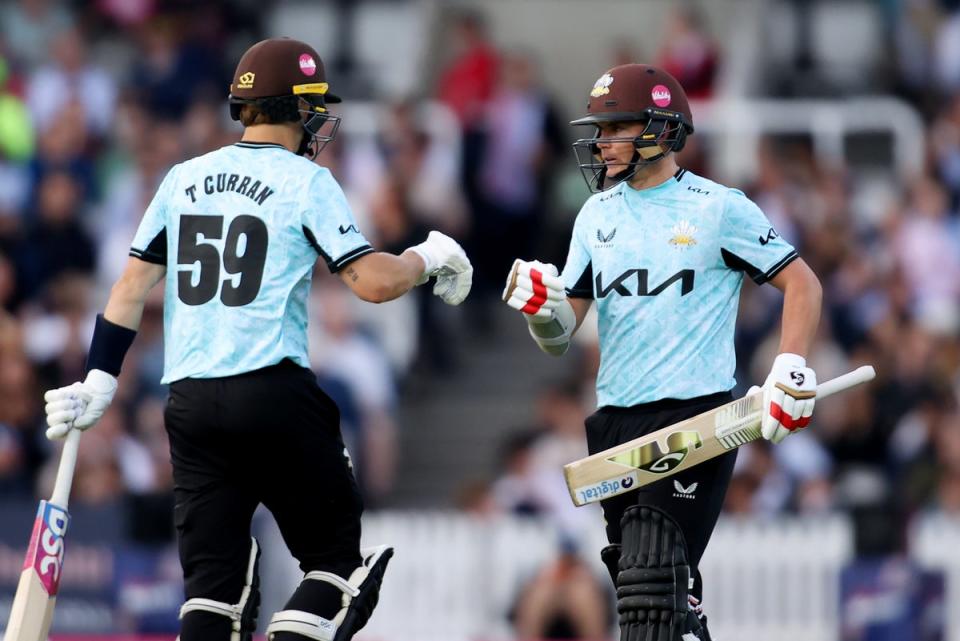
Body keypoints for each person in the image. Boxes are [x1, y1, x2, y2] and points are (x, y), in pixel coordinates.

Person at [42, 37, 473, 641]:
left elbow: (129, 288)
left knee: (210, 599)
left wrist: (100, 378)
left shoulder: (182, 177)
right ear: (297, 109)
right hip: (271, 393)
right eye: (314, 107)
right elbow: (372, 283)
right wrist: (429, 255)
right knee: (336, 565)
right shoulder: (306, 180)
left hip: (188, 402)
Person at [502, 63, 822, 641]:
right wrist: (541, 311)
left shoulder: (718, 206)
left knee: (653, 576)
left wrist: (788, 367)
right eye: (598, 130)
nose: (600, 143)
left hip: (696, 418)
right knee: (651, 598)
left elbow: (802, 282)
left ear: (658, 129)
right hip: (615, 421)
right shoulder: (595, 214)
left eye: (613, 128)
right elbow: (560, 336)